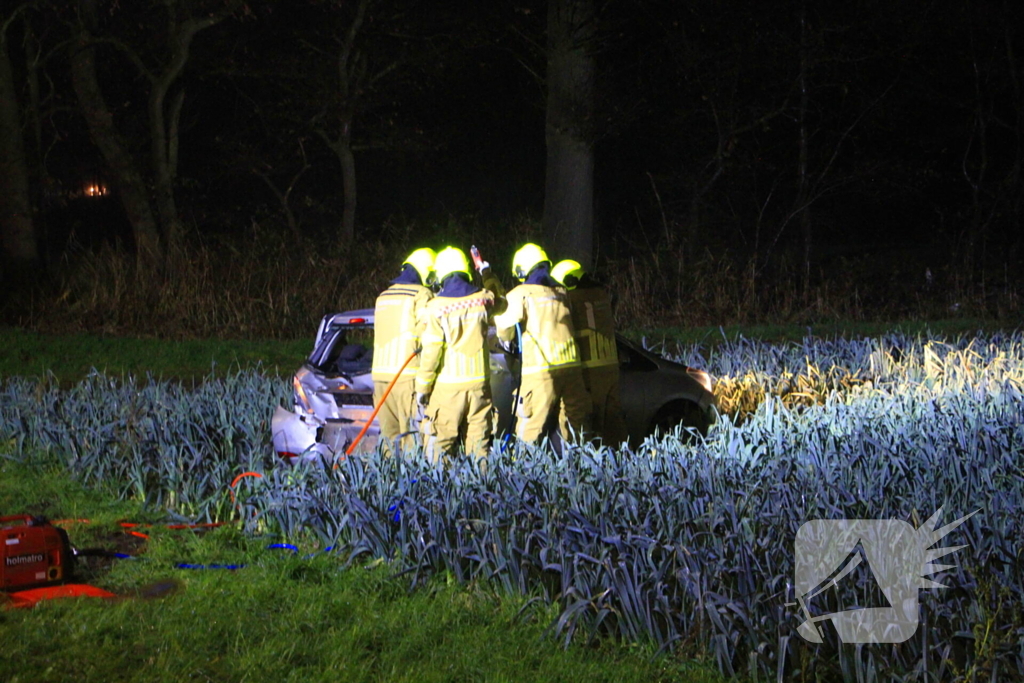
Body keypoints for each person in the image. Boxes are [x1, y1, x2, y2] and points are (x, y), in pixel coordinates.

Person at [493, 243, 591, 445]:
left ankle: (523, 464)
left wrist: (510, 344)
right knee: (576, 428)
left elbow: (504, 329)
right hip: (572, 368)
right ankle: (580, 463)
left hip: (540, 370)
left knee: (529, 429)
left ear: (522, 270)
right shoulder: (562, 292)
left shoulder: (521, 293)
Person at [415, 246, 498, 462]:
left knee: (438, 446)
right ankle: (481, 483)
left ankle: (439, 484)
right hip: (480, 385)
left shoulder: (435, 308)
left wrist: (422, 388)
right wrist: (486, 272)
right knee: (479, 445)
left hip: (448, 388)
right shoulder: (484, 299)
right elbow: (502, 301)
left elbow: (431, 353)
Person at [551, 259, 628, 445]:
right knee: (613, 422)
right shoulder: (601, 295)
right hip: (610, 366)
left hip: (589, 370)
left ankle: (586, 458)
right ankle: (622, 456)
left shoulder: (572, 299)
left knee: (586, 422)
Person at [371, 247, 436, 454]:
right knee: (411, 440)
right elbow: (429, 332)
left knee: (388, 439)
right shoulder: (421, 294)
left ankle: (386, 473)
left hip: (380, 378)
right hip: (406, 377)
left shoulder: (383, 296)